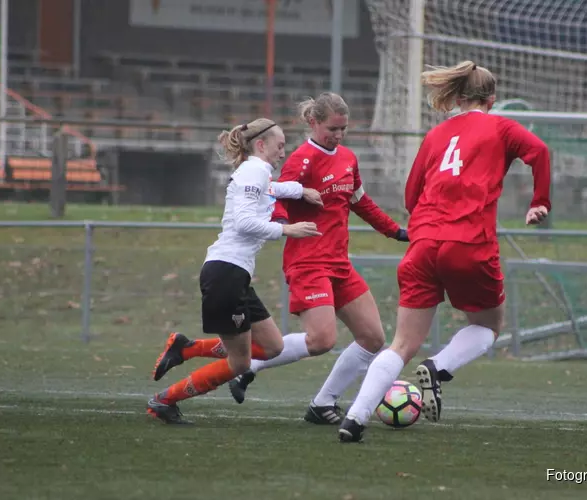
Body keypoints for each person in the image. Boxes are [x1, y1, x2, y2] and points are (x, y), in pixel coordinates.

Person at [338, 60, 552, 442]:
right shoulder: (502, 126)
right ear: (492, 98)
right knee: (487, 325)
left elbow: (409, 196)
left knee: (401, 344)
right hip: (468, 242)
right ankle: (437, 369)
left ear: (456, 96)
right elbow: (540, 152)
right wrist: (539, 201)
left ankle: (354, 418)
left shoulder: (436, 135)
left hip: (422, 245)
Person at [227, 92, 409, 424]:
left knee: (373, 338)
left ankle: (322, 404)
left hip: (339, 261)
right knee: (322, 339)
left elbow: (360, 202)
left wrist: (395, 231)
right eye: (332, 129)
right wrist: (283, 223)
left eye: (344, 129)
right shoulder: (300, 160)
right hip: (307, 260)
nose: (338, 135)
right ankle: (250, 366)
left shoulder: (349, 159)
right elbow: (277, 194)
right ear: (313, 122)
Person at [146, 117, 324, 424]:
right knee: (241, 362)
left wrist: (301, 190)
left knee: (272, 347)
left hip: (234, 274)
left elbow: (272, 189)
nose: (283, 153)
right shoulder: (254, 170)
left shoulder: (257, 173)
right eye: (280, 146)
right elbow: (243, 222)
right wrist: (287, 230)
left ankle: (184, 348)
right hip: (225, 274)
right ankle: (165, 400)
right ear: (261, 144)